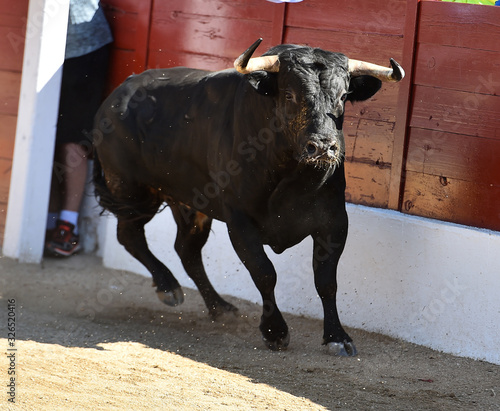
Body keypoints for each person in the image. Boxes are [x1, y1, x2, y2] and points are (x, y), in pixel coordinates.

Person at [45, 0, 113, 257]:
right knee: (42, 140)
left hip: (82, 46)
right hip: (43, 46)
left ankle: (67, 226)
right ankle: (49, 221)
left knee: (71, 138)